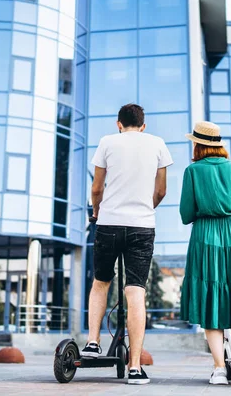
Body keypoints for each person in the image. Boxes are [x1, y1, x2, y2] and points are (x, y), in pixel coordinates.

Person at [82, 104, 173, 385]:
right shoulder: (158, 144)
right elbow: (161, 190)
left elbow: (97, 188)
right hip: (142, 225)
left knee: (101, 282)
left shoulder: (107, 142)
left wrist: (97, 212)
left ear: (118, 123)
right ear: (143, 125)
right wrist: (147, 207)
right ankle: (135, 367)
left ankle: (93, 343)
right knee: (135, 292)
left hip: (109, 223)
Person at [179, 121, 231, 386]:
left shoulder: (192, 171)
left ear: (198, 145)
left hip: (205, 236)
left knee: (210, 298)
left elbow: (186, 215)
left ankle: (220, 369)